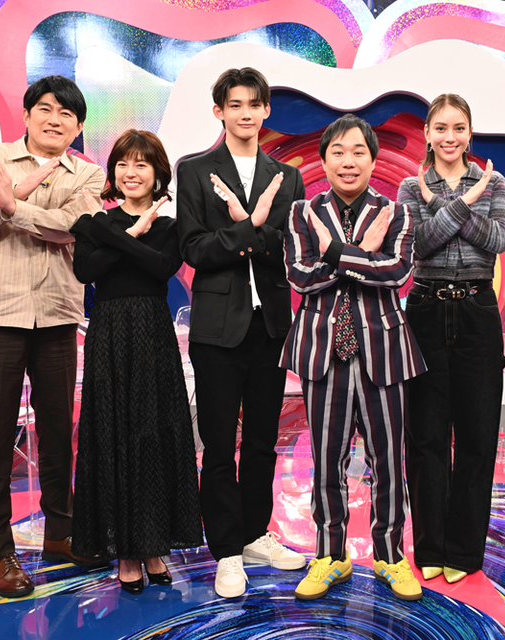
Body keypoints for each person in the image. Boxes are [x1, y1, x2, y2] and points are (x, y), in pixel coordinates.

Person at [0, 75, 108, 597]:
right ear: (27, 114)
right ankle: (0, 551)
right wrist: (8, 196)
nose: (55, 120)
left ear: (78, 128)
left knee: (58, 432)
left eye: (67, 114)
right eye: (45, 109)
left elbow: (74, 228)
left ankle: (61, 531)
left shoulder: (89, 173)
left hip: (58, 315)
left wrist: (14, 206)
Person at [282, 114, 427, 602]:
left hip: (383, 351)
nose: (348, 161)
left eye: (358, 151)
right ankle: (331, 555)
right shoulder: (303, 212)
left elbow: (397, 272)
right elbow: (299, 276)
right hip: (324, 352)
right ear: (324, 161)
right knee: (327, 462)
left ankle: (389, 555)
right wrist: (361, 253)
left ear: (373, 159)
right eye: (338, 152)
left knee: (388, 461)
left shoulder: (396, 212)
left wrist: (337, 255)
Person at [177, 67, 306, 599]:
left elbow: (294, 247)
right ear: (220, 112)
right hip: (216, 328)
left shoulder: (288, 176)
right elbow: (194, 249)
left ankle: (254, 534)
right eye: (235, 104)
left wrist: (248, 231)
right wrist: (249, 227)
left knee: (261, 442)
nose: (246, 113)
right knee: (217, 444)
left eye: (254, 104)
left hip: (270, 325)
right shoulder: (194, 170)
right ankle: (226, 550)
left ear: (266, 110)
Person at [70, 130, 204, 594]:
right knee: (113, 435)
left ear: (157, 173)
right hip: (109, 333)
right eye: (123, 164)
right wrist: (129, 233)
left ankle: (152, 546)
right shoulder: (94, 222)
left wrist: (116, 235)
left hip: (152, 332)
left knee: (152, 435)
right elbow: (86, 271)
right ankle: (126, 553)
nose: (131, 173)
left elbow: (160, 267)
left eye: (141, 164)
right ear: (114, 172)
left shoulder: (166, 226)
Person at [396, 94, 505, 584]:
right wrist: (464, 204)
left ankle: (463, 552)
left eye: (458, 128)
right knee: (425, 436)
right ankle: (431, 547)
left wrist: (442, 207)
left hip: (477, 310)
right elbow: (416, 247)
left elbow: (499, 240)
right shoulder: (409, 186)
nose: (449, 137)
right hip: (424, 308)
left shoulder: (495, 183)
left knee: (477, 435)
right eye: (440, 128)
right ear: (427, 133)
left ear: (470, 132)